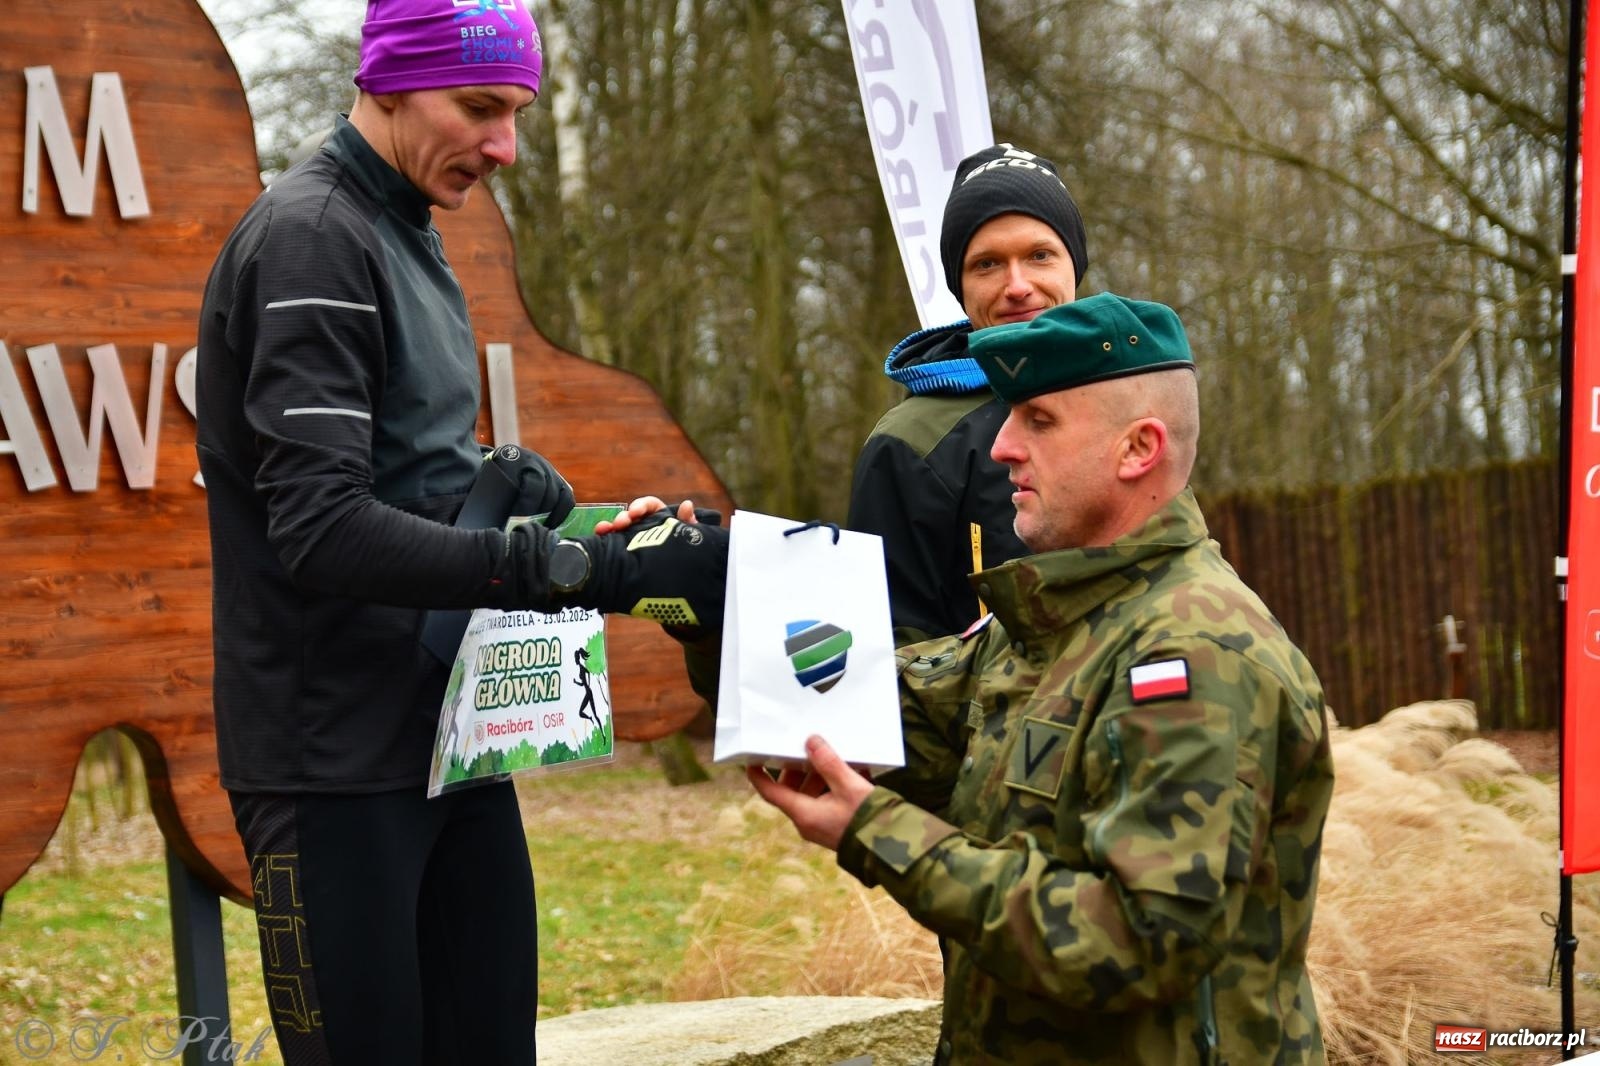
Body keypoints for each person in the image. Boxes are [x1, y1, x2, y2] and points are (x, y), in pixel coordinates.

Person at [194, 2, 722, 1062]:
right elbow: (322, 528)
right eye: (480, 107)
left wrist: (531, 498)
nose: (505, 146)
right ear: (390, 81)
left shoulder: (405, 227)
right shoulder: (312, 238)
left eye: (517, 112)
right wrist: (570, 568)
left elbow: (398, 468)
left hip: (450, 738)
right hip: (332, 764)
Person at [746, 295, 1335, 1064]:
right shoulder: (1054, 618)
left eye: (1038, 420)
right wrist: (702, 595)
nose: (1000, 447)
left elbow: (1139, 940)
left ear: (1138, 448)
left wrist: (876, 832)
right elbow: (887, 712)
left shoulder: (1196, 653)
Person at [847, 142, 1088, 645]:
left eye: (1039, 255)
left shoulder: (1134, 397)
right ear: (960, 286)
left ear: (1074, 265)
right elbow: (889, 651)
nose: (1017, 285)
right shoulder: (910, 444)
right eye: (988, 264)